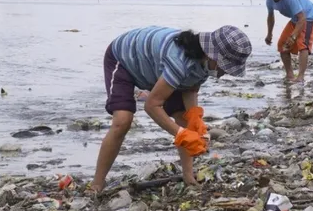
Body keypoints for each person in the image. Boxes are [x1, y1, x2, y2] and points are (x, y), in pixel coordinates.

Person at [91, 25, 252, 192]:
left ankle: (188, 175)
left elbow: (190, 88)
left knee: (183, 117)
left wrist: (195, 119)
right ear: (211, 55)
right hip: (123, 59)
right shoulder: (179, 61)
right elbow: (152, 105)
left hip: (154, 67)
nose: (224, 72)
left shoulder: (204, 64)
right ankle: (97, 183)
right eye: (224, 67)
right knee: (122, 121)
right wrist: (181, 134)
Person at [263, 0, 313, 83]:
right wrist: (269, 33)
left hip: (308, 17)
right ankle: (290, 75)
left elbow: (302, 18)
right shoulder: (269, 2)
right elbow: (270, 17)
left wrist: (293, 36)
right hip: (295, 19)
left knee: (303, 45)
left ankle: (300, 77)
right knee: (282, 45)